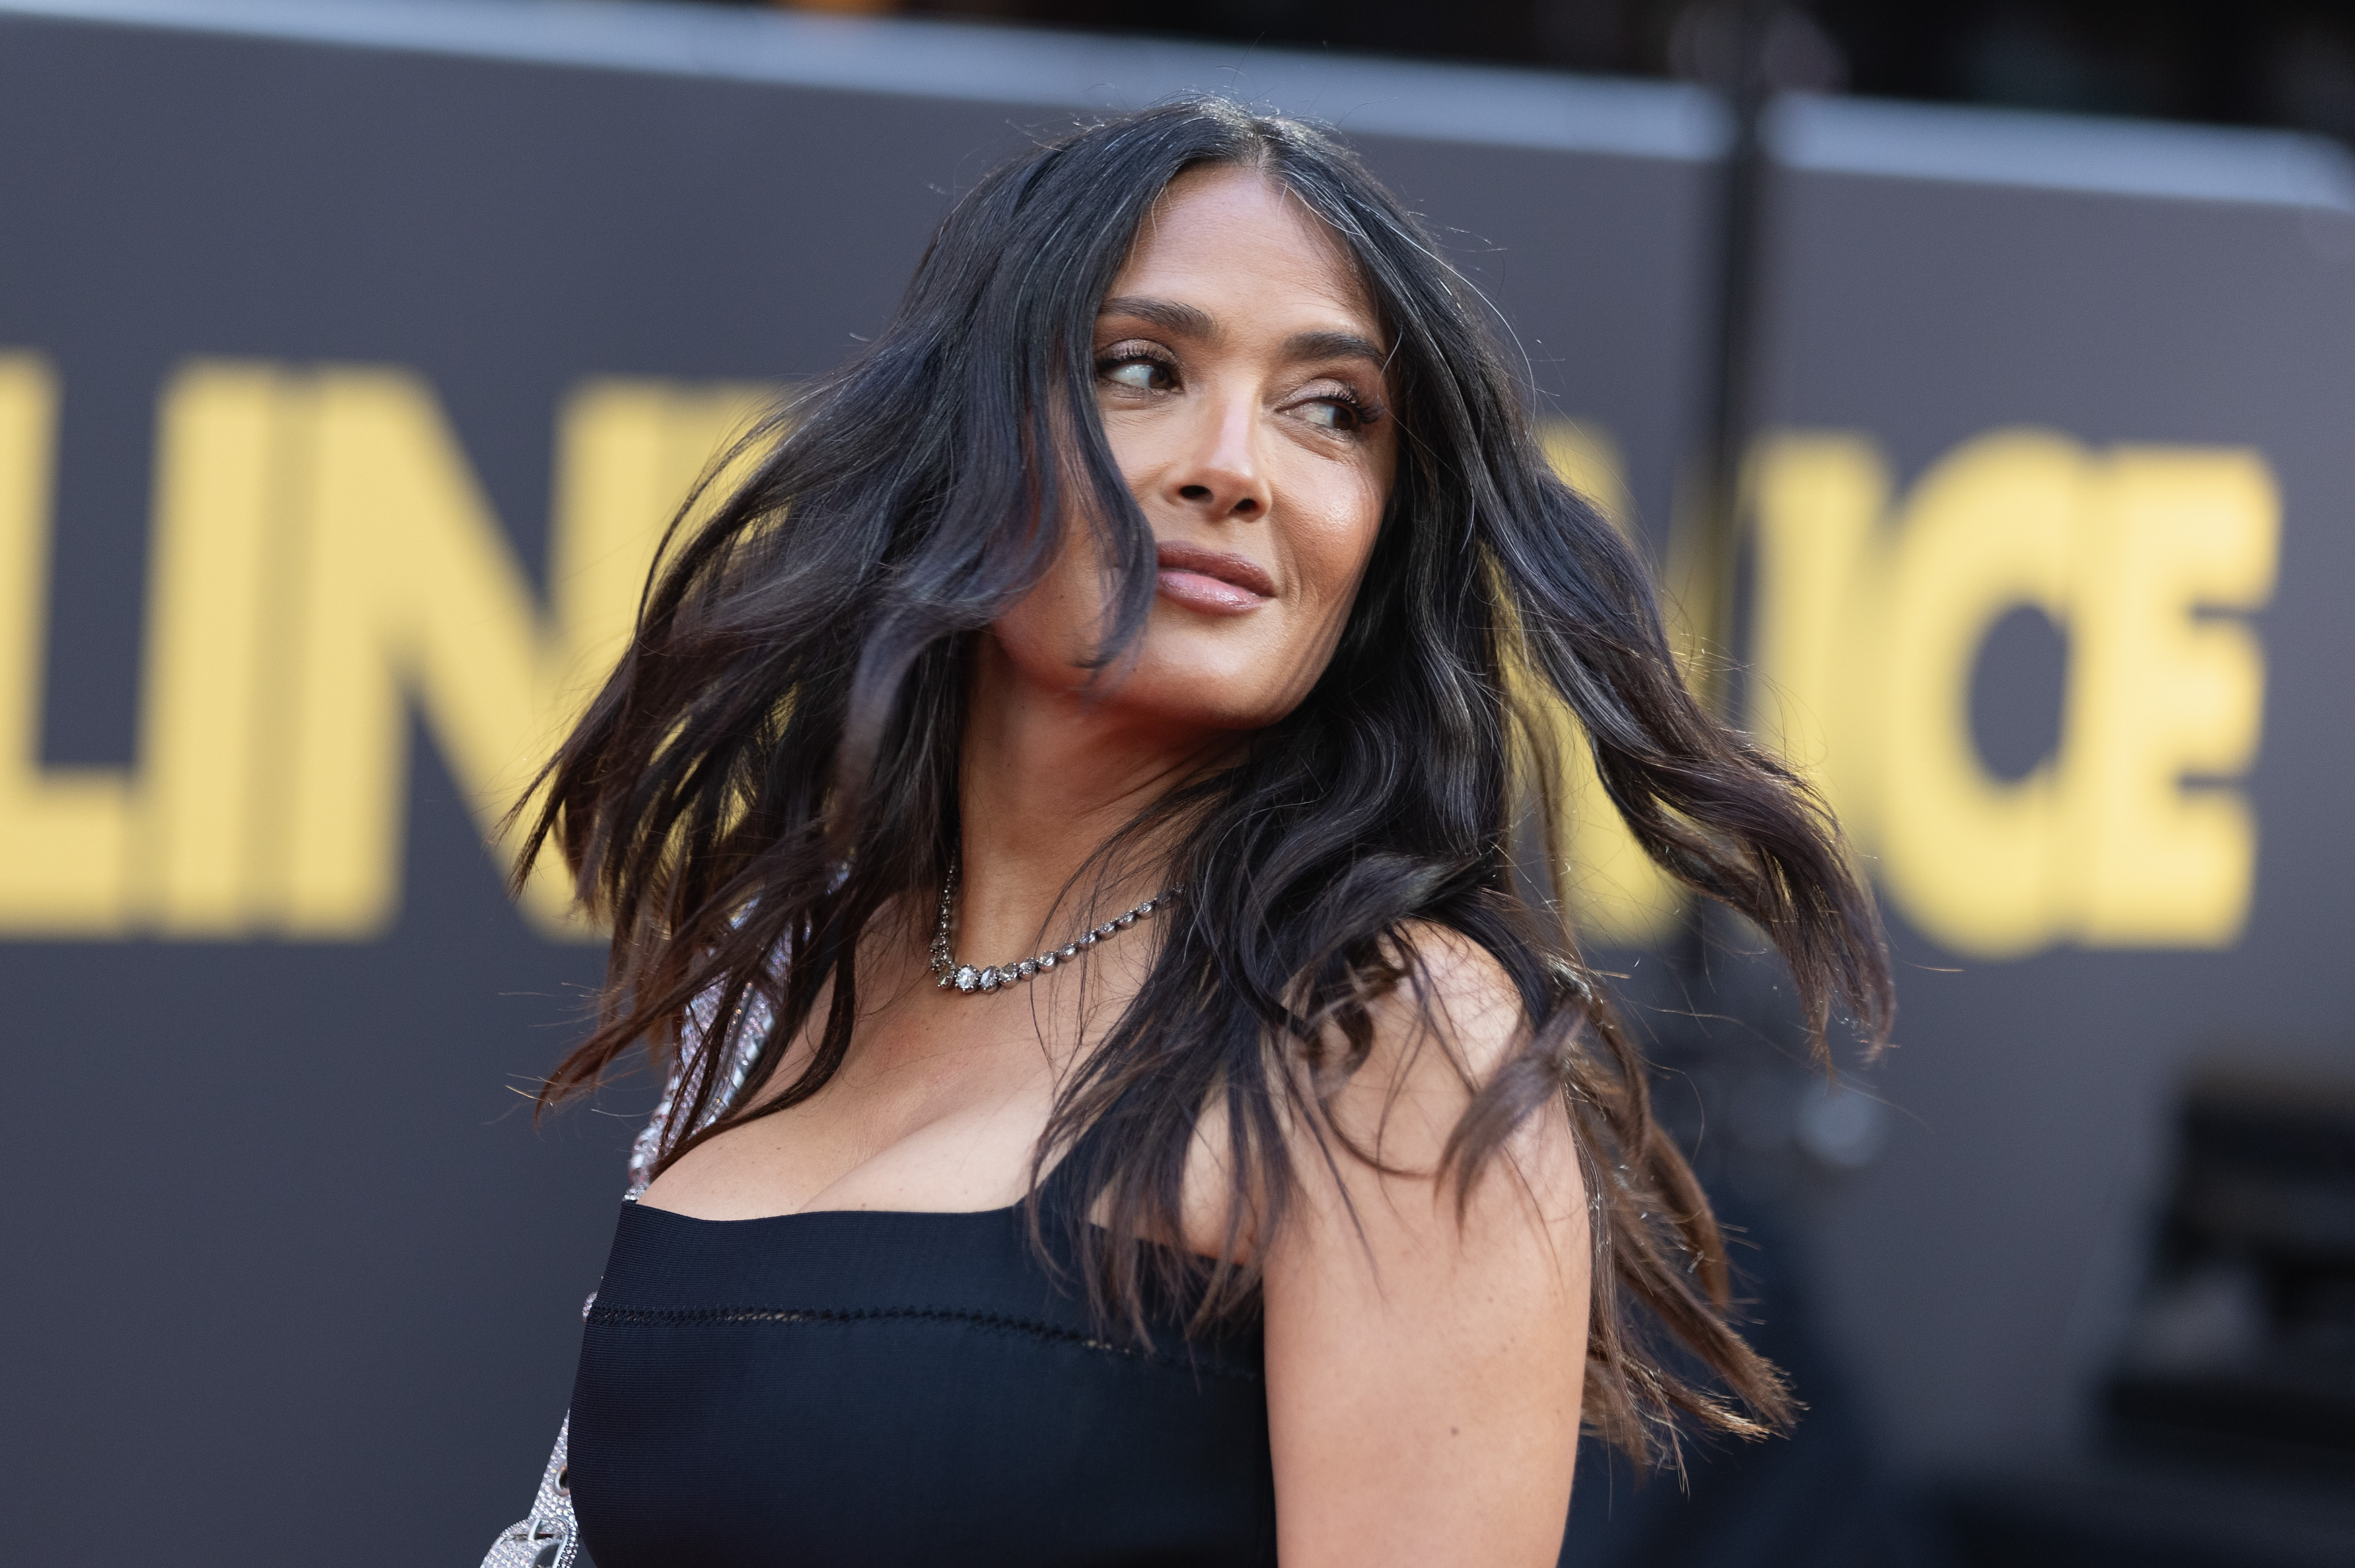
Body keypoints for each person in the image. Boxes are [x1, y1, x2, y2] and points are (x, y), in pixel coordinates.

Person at [481, 98, 1891, 1568]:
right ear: (962, 434)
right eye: (1141, 370)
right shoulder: (792, 968)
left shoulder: (1378, 1036)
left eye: (1329, 408)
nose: (1236, 465)